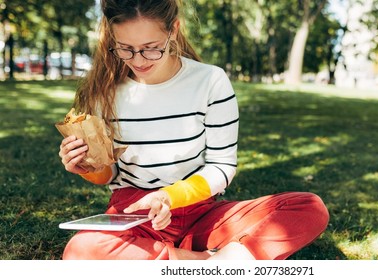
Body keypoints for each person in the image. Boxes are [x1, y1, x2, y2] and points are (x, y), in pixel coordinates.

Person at [58, 0, 329, 260]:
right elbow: (110, 174)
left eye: (151, 48)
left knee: (307, 207)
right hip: (136, 215)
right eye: (125, 48)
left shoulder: (210, 81)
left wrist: (168, 197)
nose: (138, 60)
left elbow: (221, 166)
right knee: (82, 249)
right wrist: (88, 166)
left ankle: (172, 259)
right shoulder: (105, 94)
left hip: (202, 214)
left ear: (173, 30)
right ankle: (210, 262)